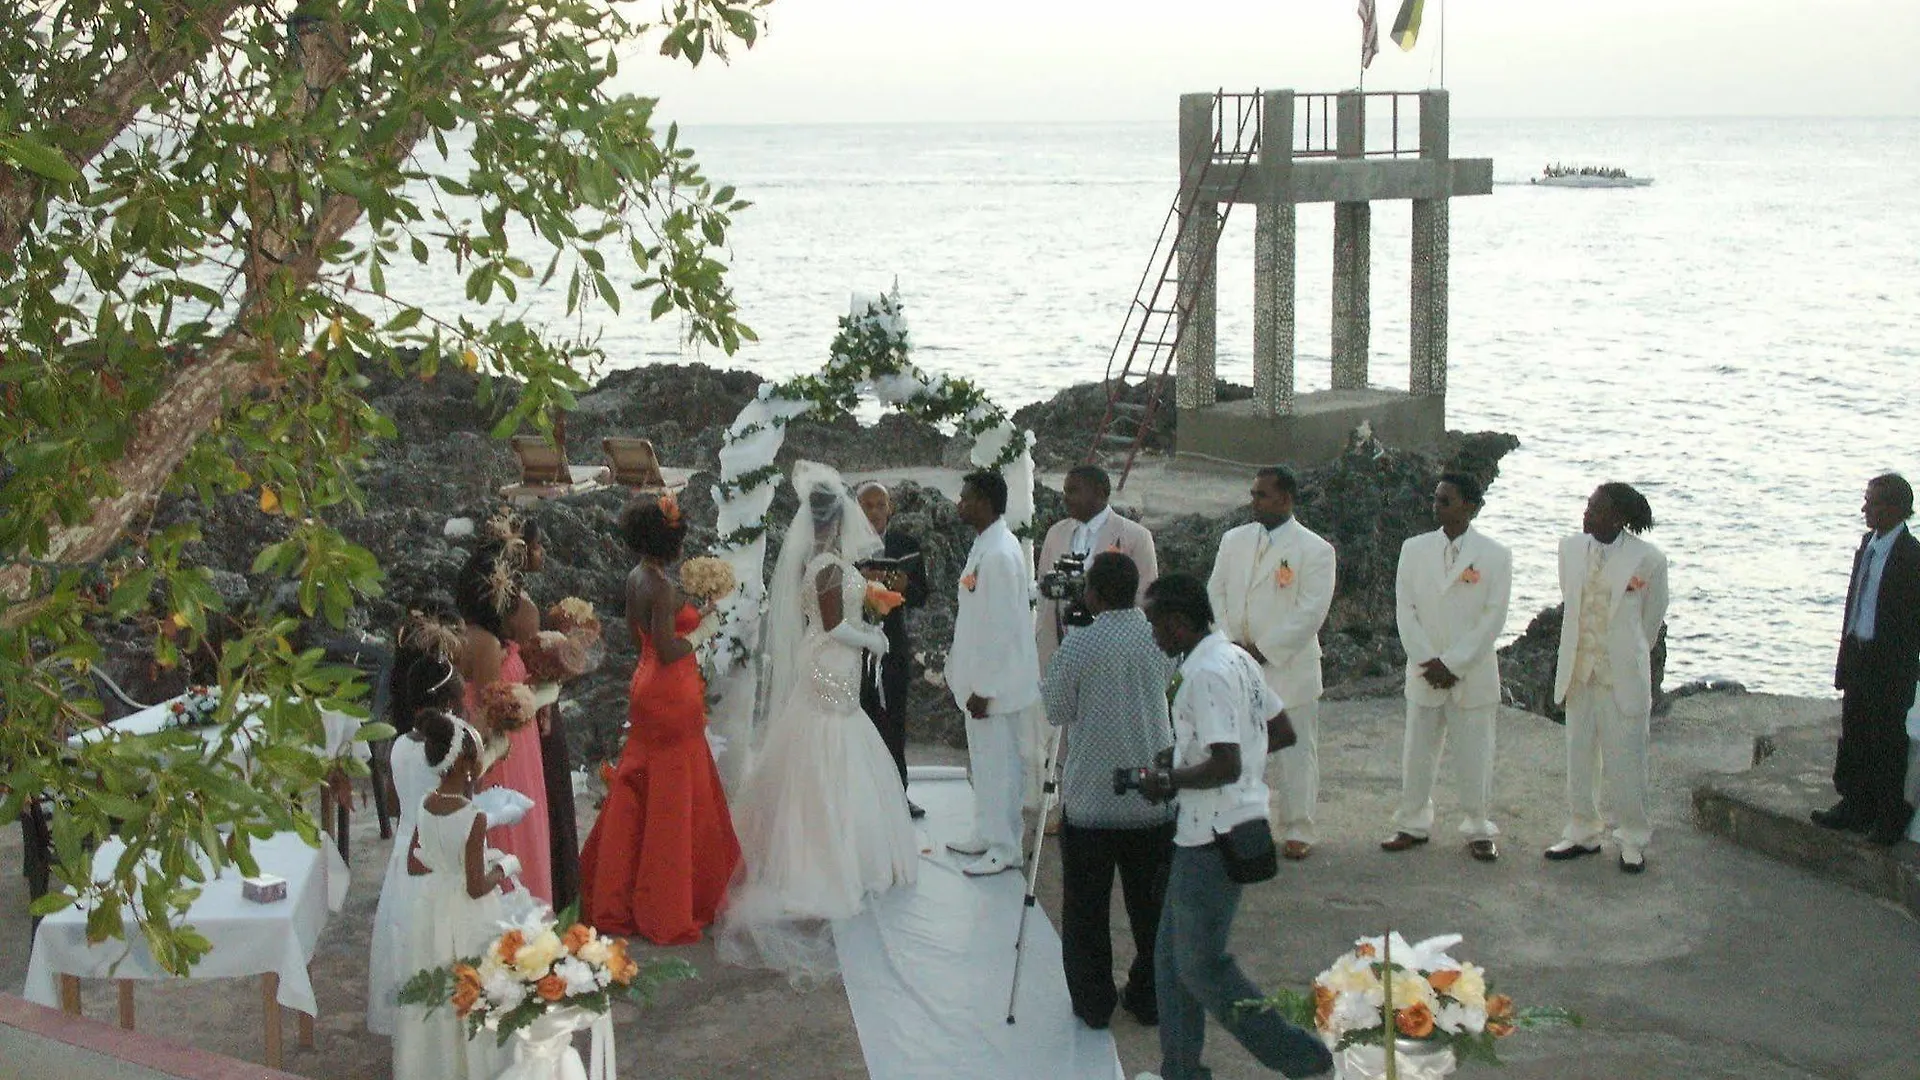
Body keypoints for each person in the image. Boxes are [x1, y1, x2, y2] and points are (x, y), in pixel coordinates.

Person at [717, 462, 920, 984]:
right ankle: (825, 857)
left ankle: (843, 844)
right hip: (831, 659)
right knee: (830, 737)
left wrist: (870, 620)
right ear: (835, 521)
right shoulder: (826, 567)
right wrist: (872, 637)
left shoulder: (825, 559)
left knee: (836, 738)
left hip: (833, 660)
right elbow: (833, 625)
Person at [1131, 574, 1332, 1080]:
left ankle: (1306, 1061)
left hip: (1214, 838)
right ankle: (1180, 1071)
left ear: (1177, 624)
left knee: (1203, 968)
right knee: (1170, 964)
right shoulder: (1237, 658)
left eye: (1154, 622)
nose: (1151, 632)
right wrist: (1183, 754)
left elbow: (1225, 764)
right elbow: (1280, 730)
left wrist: (1168, 779)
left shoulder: (1206, 673)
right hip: (1208, 829)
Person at [579, 495, 741, 944]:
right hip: (671, 689)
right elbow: (670, 649)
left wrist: (695, 619)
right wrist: (707, 630)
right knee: (673, 793)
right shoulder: (664, 586)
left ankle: (617, 890)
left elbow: (645, 637)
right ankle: (668, 899)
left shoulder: (637, 577)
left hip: (645, 684)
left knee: (639, 789)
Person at [1041, 552, 1175, 1031]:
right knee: (1153, 909)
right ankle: (1151, 995)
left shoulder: (1081, 644)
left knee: (1086, 909)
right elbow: (1165, 680)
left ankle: (1094, 1001)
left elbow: (1055, 709)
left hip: (1093, 800)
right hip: (1152, 796)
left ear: (1093, 594)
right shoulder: (1159, 637)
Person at [1382, 473, 1513, 862]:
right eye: (1436, 499)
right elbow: (1405, 610)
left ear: (1469, 507)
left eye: (1446, 501)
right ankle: (1412, 823)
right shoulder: (1414, 549)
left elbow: (1493, 618)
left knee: (1475, 753)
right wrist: (1427, 660)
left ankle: (1478, 827)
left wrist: (1453, 663)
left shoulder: (1495, 555)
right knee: (1417, 752)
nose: (1436, 507)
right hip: (1425, 671)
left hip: (1470, 673)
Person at [1206, 466, 1335, 860]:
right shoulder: (1234, 540)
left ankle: (1298, 827)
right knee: (1240, 748)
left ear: (1285, 499)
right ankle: (1240, 823)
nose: (1254, 501)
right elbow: (1217, 590)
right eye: (1253, 493)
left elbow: (1311, 612)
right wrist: (1229, 642)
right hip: (1237, 662)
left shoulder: (1315, 550)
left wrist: (1263, 648)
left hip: (1288, 666)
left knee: (1295, 752)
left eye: (1262, 495)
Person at [1545, 482, 1669, 874]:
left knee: (1627, 759)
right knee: (1579, 754)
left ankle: (1633, 838)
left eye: (1596, 510)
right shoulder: (1569, 549)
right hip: (1580, 672)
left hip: (1620, 675)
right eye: (1588, 506)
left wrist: (1624, 653)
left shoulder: (1647, 559)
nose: (1587, 514)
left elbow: (1651, 618)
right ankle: (1582, 829)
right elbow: (1572, 600)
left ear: (1618, 518)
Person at [390, 709, 512, 1080]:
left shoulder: (425, 804)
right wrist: (505, 867)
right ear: (463, 763)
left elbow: (414, 863)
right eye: (474, 757)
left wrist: (446, 864)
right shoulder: (473, 817)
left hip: (430, 908)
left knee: (435, 986)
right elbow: (476, 887)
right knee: (472, 984)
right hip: (465, 914)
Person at [1033, 464, 1160, 818]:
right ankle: (1063, 804)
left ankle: (1111, 802)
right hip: (1064, 645)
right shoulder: (1057, 534)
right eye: (1065, 489)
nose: (1066, 497)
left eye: (1074, 490)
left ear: (1101, 493)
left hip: (1112, 651)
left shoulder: (1134, 536)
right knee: (1061, 734)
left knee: (1105, 732)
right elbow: (1047, 591)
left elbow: (1145, 598)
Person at [366, 616, 465, 1037]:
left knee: (405, 937)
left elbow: (392, 803)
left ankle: (413, 1027)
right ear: (448, 706)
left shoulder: (401, 747)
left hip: (403, 863)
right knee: (443, 941)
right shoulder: (455, 748)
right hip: (441, 858)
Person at [1813, 473, 1920, 845]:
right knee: (1855, 729)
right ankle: (1855, 803)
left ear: (1894, 509)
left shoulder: (1911, 557)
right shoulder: (1867, 545)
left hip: (1889, 662)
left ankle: (1888, 813)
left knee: (1887, 739)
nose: (1864, 509)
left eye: (1872, 503)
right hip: (1859, 651)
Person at [946, 468, 1042, 878]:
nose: (959, 504)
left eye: (966, 497)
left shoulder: (1001, 553)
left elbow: (1002, 628)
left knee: (1002, 764)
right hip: (977, 678)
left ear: (985, 503)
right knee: (984, 761)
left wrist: (984, 688)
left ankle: (1006, 845)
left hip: (995, 685)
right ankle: (986, 832)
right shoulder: (986, 544)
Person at [454, 537, 552, 905]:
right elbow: (490, 707)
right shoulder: (485, 646)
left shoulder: (485, 636)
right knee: (514, 835)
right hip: (504, 754)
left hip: (519, 745)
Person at [854, 481, 930, 819]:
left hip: (894, 644)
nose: (873, 512)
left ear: (891, 508)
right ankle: (859, 792)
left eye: (879, 505)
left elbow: (922, 594)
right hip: (853, 647)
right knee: (858, 721)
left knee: (894, 720)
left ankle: (898, 792)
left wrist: (905, 587)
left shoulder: (906, 546)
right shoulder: (845, 546)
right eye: (866, 505)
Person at [520, 518, 583, 912]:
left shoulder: (516, 603)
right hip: (534, 712)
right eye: (538, 546)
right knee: (551, 796)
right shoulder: (522, 608)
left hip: (532, 706)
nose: (542, 554)